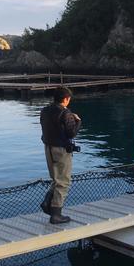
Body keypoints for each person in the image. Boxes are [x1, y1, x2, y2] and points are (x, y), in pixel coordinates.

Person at [40, 86, 81, 224]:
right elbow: (72, 133)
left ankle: (47, 203)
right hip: (61, 150)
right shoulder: (65, 113)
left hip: (48, 148)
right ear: (66, 99)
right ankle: (56, 214)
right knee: (64, 181)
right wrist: (78, 121)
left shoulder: (45, 110)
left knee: (56, 178)